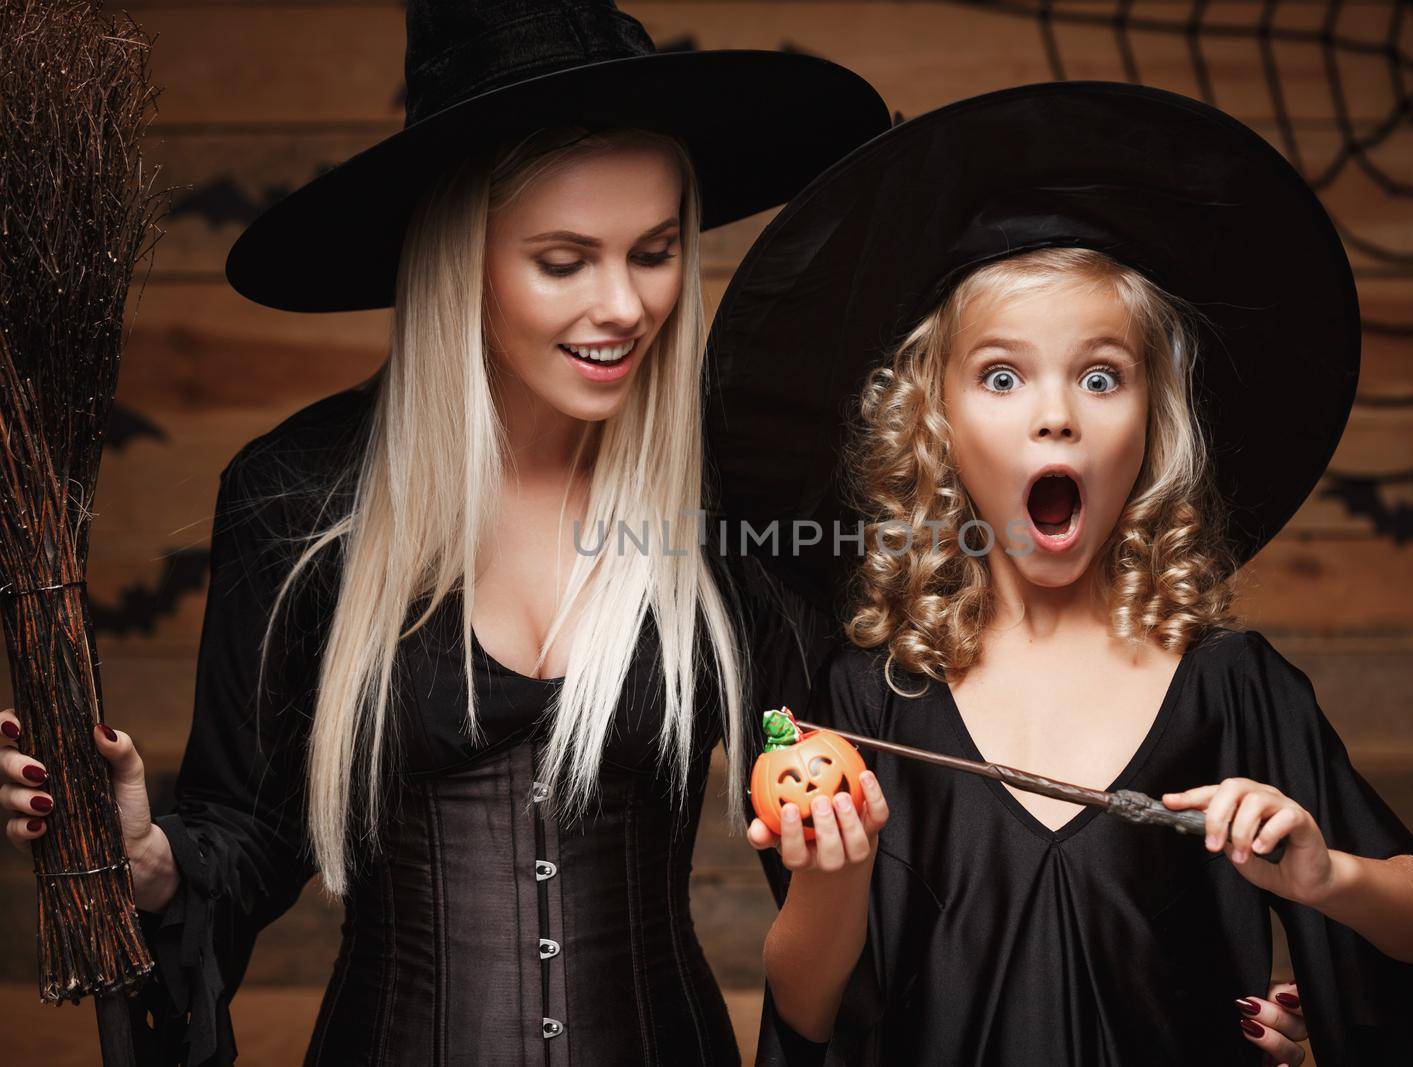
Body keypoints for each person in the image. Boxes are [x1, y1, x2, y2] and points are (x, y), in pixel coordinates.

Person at [0, 2, 887, 1063]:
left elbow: (823, 825)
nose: (623, 305)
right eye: (564, 260)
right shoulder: (300, 498)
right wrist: (141, 853)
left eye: (653, 252)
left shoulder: (730, 498)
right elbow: (248, 835)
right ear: (457, 254)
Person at [704, 83, 1413, 1066]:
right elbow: (813, 1011)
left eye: (1100, 375)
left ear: (1148, 423)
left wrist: (1328, 875)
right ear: (938, 427)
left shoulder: (1232, 686)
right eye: (1001, 376)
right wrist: (835, 875)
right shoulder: (870, 702)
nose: (1056, 416)